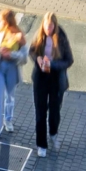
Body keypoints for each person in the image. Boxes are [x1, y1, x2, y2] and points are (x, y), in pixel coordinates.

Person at [29, 12, 73, 157]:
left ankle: (53, 132)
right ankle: (41, 145)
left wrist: (52, 64)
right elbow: (32, 51)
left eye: (51, 26)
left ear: (55, 25)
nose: (48, 29)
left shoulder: (61, 37)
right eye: (46, 26)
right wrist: (39, 59)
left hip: (55, 78)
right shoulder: (39, 35)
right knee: (40, 113)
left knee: (54, 111)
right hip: (41, 78)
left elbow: (69, 60)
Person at [0, 9, 28, 141]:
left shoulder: (19, 35)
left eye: (1, 20)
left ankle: (8, 120)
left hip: (12, 69)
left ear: (8, 21)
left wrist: (12, 54)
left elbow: (24, 58)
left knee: (10, 96)